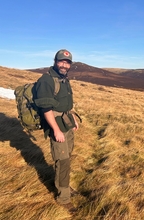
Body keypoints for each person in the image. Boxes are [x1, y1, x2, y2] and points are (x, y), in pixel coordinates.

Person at [34, 49, 79, 214]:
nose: (64, 65)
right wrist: (56, 130)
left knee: (66, 159)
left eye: (67, 62)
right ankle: (63, 198)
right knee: (62, 161)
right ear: (55, 61)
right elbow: (46, 108)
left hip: (66, 124)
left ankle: (64, 186)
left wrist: (72, 118)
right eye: (61, 61)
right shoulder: (46, 80)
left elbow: (66, 104)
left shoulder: (64, 79)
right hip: (57, 127)